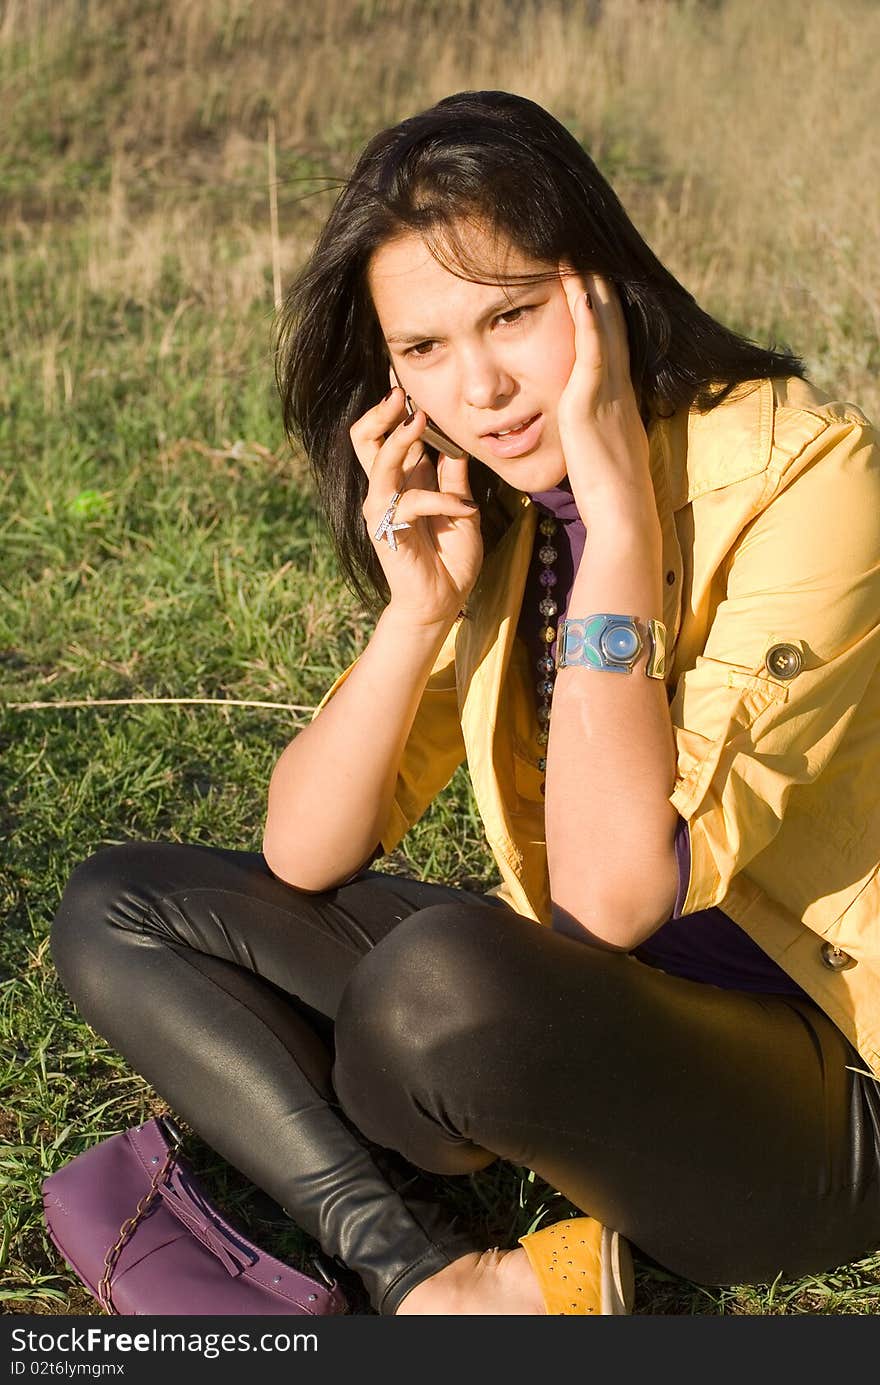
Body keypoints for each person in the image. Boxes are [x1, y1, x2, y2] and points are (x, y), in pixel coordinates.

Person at [50, 90, 880, 1317]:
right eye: (426, 350)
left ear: (598, 288)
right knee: (122, 905)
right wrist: (418, 614)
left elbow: (610, 894)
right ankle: (430, 1276)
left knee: (436, 990)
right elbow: (303, 845)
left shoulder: (812, 477)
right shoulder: (494, 516)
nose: (482, 388)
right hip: (585, 1007)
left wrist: (619, 517)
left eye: (511, 313)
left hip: (819, 1086)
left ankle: (400, 1106)